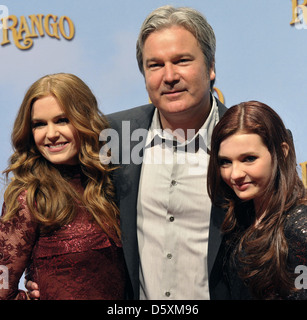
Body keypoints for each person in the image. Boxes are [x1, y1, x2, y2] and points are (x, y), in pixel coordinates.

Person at [27, 5, 228, 300]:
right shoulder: (111, 136)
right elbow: (59, 204)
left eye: (182, 60)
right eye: (155, 65)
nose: (169, 76)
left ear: (210, 66)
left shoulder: (249, 141)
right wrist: (47, 277)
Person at [0, 73, 126, 300]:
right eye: (39, 124)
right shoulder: (29, 197)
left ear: (84, 119)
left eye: (62, 120)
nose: (51, 134)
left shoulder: (109, 181)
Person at [207, 101, 307, 300]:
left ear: (282, 152)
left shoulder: (299, 228)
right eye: (225, 162)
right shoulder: (237, 223)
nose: (235, 174)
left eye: (249, 159)